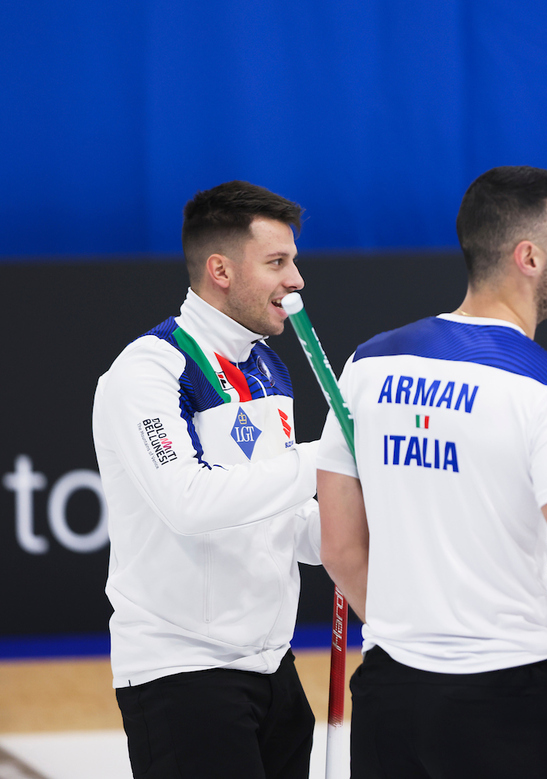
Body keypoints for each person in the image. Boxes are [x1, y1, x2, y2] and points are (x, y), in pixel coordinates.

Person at [316, 165, 547, 778]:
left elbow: (339, 547)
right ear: (529, 256)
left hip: (390, 696)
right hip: (502, 706)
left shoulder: (367, 363)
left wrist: (417, 634)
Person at [92, 180, 321, 779]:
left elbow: (284, 521)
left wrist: (366, 516)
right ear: (220, 269)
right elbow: (188, 502)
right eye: (277, 263)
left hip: (273, 669)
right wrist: (328, 461)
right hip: (183, 676)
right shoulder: (149, 371)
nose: (296, 280)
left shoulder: (268, 367)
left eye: (292, 261)